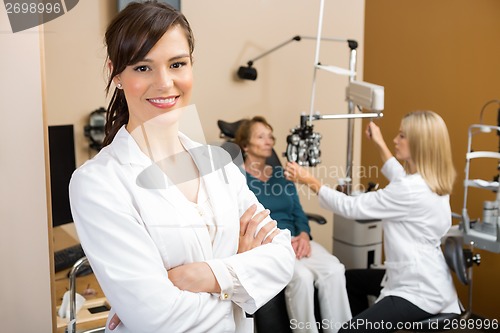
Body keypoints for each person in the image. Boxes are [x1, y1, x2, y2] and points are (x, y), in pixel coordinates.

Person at [68, 2, 295, 333]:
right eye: (143, 68)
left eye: (177, 64)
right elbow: (158, 320)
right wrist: (239, 273)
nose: (164, 83)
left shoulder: (219, 165)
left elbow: (282, 256)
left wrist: (205, 275)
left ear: (191, 66)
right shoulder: (98, 183)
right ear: (116, 73)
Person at [284, 111, 460, 332]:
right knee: (351, 280)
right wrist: (379, 143)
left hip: (418, 290)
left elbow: (351, 207)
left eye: (402, 136)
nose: (395, 140)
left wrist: (308, 180)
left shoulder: (409, 190)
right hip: (430, 277)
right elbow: (399, 176)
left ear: (419, 143)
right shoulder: (430, 181)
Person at [234, 116, 352, 333]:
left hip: (297, 240)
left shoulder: (282, 175)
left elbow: (298, 211)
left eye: (270, 136)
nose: (269, 141)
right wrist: (279, 241)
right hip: (269, 244)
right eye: (261, 137)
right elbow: (243, 222)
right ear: (245, 145)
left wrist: (305, 236)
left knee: (335, 270)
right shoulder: (237, 179)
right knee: (303, 278)